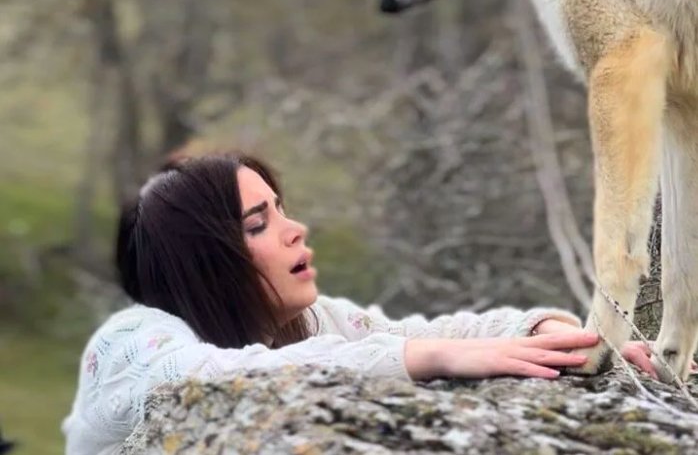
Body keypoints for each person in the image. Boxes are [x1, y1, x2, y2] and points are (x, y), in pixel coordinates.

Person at [62, 152, 657, 454]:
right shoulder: (131, 340)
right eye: (256, 224)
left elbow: (434, 330)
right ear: (205, 259)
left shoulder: (304, 324)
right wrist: (432, 360)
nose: (295, 229)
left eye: (282, 208)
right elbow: (208, 380)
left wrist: (563, 338)